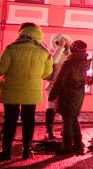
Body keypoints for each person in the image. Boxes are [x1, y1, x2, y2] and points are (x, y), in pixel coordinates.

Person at [0, 23, 53, 160]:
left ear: (21, 32)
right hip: (31, 91)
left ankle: (6, 151)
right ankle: (26, 150)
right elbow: (47, 73)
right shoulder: (44, 51)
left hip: (11, 90)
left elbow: (1, 69)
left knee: (10, 121)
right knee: (28, 120)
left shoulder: (11, 48)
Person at [49, 40, 90, 155]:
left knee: (67, 120)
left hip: (68, 94)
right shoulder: (84, 62)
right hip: (78, 94)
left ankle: (66, 146)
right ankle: (77, 144)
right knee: (73, 118)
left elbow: (60, 80)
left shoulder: (70, 62)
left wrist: (53, 93)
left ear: (74, 49)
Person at [43, 33, 72, 140]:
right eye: (58, 42)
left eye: (64, 43)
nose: (62, 44)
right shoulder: (51, 54)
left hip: (66, 86)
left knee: (65, 109)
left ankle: (65, 131)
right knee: (51, 108)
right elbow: (54, 61)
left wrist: (66, 47)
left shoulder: (69, 54)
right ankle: (49, 131)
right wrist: (60, 47)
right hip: (53, 84)